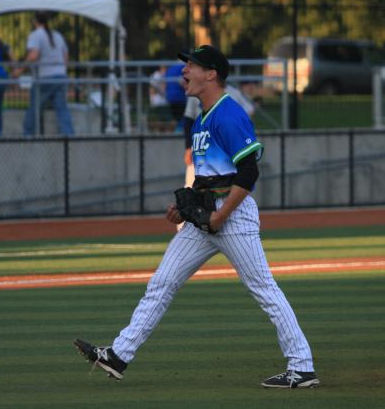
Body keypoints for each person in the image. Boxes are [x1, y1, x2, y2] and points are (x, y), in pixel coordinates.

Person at [75, 45, 319, 389]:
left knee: (262, 287)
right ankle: (119, 355)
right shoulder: (203, 118)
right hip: (206, 217)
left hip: (231, 216)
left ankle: (302, 366)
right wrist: (186, 205)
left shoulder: (227, 114)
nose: (184, 72)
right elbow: (210, 178)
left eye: (191, 65)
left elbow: (248, 173)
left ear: (211, 74)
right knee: (162, 282)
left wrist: (221, 216)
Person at [14, 11, 74, 136]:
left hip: (45, 77)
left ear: (35, 21)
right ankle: (68, 136)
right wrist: (62, 70)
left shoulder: (36, 35)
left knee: (35, 108)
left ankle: (28, 135)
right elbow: (65, 56)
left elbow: (33, 55)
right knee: (62, 109)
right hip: (60, 76)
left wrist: (19, 69)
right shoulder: (57, 35)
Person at [164, 63, 187, 130]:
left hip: (170, 97)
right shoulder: (183, 67)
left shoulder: (170, 68)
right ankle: (179, 130)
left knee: (176, 117)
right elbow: (182, 82)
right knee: (181, 116)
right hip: (180, 97)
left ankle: (178, 129)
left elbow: (165, 84)